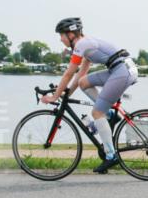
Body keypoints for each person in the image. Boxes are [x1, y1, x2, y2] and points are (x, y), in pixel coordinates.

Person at [42, 17, 138, 173]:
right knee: (84, 82)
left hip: (123, 71)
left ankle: (111, 155)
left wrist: (54, 97)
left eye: (61, 35)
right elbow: (81, 75)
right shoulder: (84, 44)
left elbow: (68, 74)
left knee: (96, 112)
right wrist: (66, 94)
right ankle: (110, 114)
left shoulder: (81, 45)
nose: (60, 39)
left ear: (71, 34)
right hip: (119, 69)